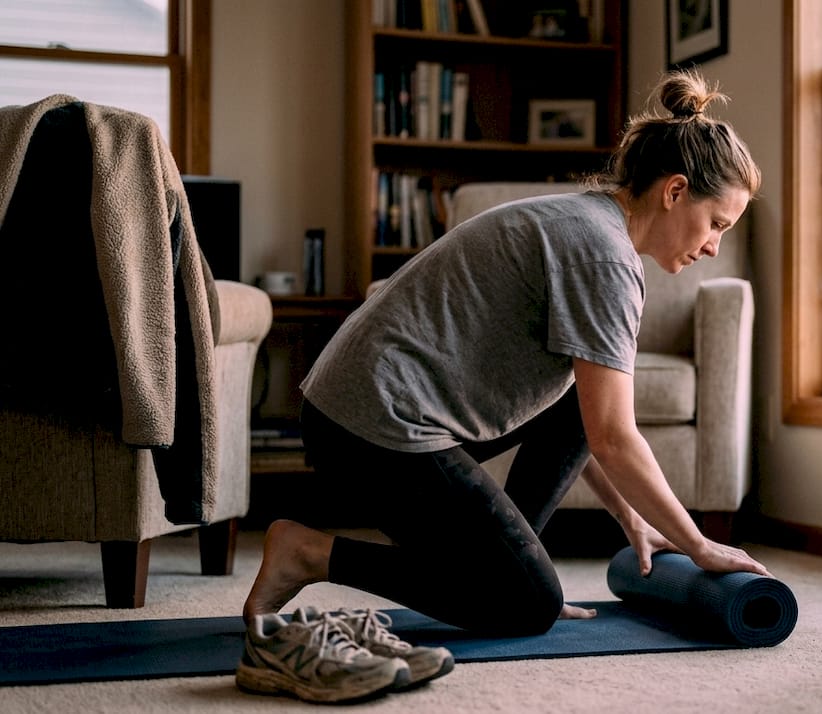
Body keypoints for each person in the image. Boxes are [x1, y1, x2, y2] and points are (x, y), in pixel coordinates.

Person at [235, 69, 769, 704]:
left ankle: (513, 570)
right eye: (717, 224)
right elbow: (615, 437)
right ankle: (308, 552)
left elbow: (585, 420)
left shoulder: (592, 224)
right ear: (676, 191)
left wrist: (633, 521)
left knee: (555, 472)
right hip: (370, 428)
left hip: (354, 411)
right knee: (524, 604)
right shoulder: (603, 257)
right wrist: (696, 544)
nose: (714, 247)